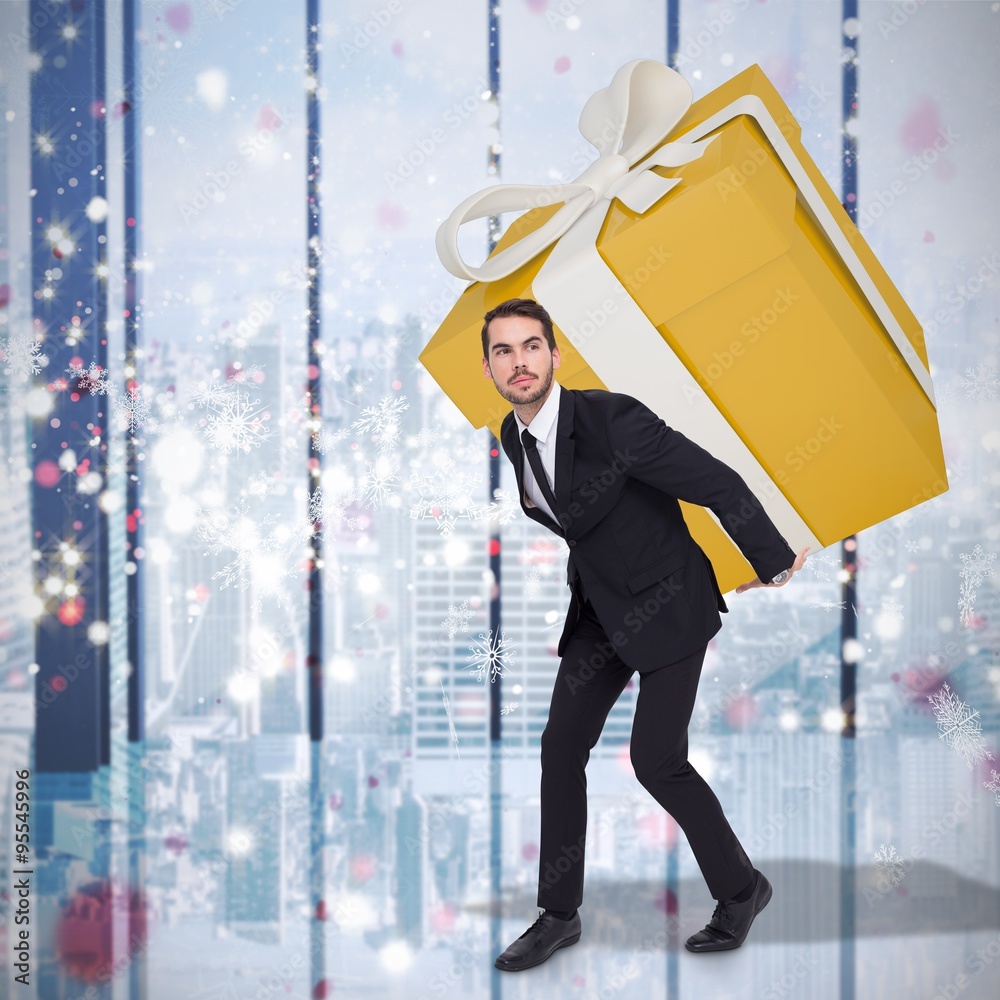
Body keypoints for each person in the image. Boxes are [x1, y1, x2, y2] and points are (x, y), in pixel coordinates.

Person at [482, 298, 809, 972]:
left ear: (555, 354)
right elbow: (576, 520)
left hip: (668, 603)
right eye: (504, 351)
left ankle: (743, 890)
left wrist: (771, 560)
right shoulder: (512, 438)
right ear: (489, 366)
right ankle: (559, 914)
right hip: (601, 610)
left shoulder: (612, 419)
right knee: (560, 746)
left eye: (531, 346)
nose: (520, 362)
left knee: (656, 760)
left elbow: (715, 480)